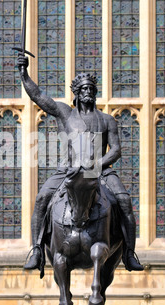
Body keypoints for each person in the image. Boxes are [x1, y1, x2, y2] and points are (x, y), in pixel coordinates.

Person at [17, 53, 143, 272]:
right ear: (76, 94)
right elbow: (38, 96)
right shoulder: (65, 113)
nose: (89, 93)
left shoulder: (106, 120)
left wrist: (97, 164)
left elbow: (116, 149)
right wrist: (23, 73)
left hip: (101, 171)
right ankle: (37, 250)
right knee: (41, 199)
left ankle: (129, 253)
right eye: (84, 89)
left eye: (91, 89)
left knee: (124, 200)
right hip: (69, 169)